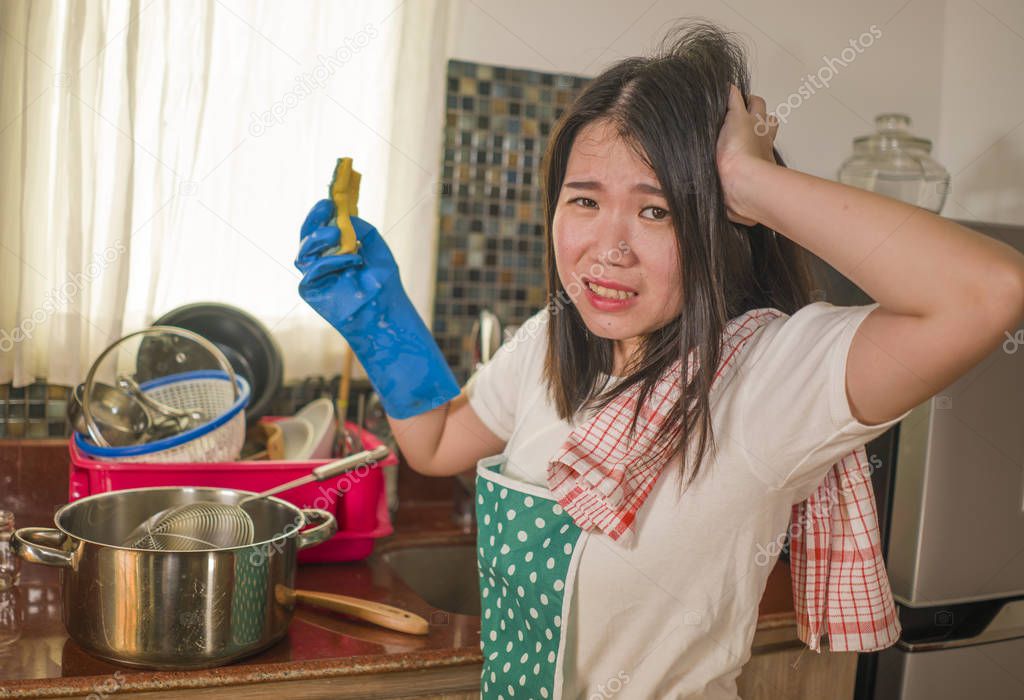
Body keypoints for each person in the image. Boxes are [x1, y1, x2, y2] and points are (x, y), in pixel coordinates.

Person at [295, 20, 1024, 700]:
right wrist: (380, 320)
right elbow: (437, 441)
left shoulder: (767, 379)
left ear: (717, 223)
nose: (608, 248)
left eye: (656, 210)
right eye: (584, 202)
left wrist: (749, 179)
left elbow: (987, 292)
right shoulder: (552, 346)